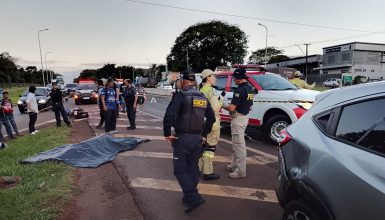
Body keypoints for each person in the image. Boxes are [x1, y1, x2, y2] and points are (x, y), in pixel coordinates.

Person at [163, 70, 216, 213]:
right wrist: (204, 134)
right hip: (197, 139)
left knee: (180, 170)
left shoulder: (180, 95)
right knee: (193, 168)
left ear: (184, 81)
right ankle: (189, 196)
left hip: (182, 138)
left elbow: (169, 115)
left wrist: (167, 134)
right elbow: (212, 118)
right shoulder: (203, 96)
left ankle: (193, 196)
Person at [222, 68, 253, 179]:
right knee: (236, 143)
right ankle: (234, 165)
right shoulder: (250, 89)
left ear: (240, 79)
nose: (234, 79)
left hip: (238, 119)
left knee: (239, 145)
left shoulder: (239, 90)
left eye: (235, 78)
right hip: (244, 117)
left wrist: (222, 104)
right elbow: (250, 107)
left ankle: (240, 171)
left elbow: (231, 108)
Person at [198, 69, 223, 181]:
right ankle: (208, 172)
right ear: (208, 77)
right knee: (210, 148)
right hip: (212, 123)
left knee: (202, 146)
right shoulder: (211, 91)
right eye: (213, 76)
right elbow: (214, 108)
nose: (215, 78)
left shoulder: (200, 90)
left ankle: (197, 169)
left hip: (201, 121)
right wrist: (221, 101)